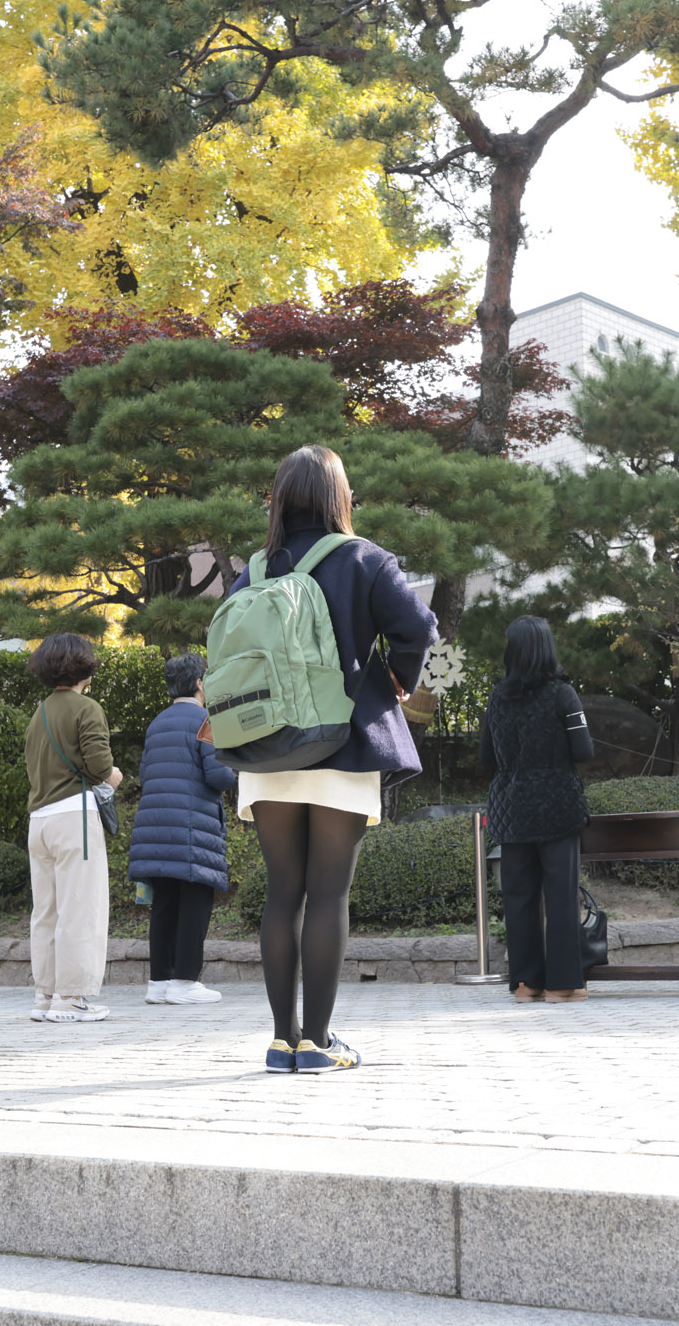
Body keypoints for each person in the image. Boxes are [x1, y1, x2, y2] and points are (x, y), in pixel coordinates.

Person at [233, 445, 437, 1075]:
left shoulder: (256, 569)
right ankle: (319, 1042)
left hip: (266, 747)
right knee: (328, 894)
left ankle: (280, 1039)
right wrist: (396, 680)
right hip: (341, 743)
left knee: (281, 894)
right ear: (338, 496)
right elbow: (418, 628)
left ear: (280, 497)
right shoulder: (363, 558)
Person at [479, 615, 594, 1005]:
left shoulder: (497, 697)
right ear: (547, 649)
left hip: (510, 806)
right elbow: (584, 751)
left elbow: (485, 756)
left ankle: (526, 984)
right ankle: (563, 984)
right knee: (559, 895)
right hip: (557, 802)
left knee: (519, 898)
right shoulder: (563, 695)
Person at [23, 633, 122, 1023]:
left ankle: (44, 995)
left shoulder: (39, 712)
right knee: (79, 908)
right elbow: (99, 766)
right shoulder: (86, 707)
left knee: (45, 911)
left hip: (40, 821)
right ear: (85, 667)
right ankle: (71, 997)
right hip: (73, 819)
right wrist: (112, 777)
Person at [130, 653, 235, 1006]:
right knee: (194, 902)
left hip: (156, 827)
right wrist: (236, 766)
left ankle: (159, 981)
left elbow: (147, 774)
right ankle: (186, 982)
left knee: (164, 906)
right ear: (200, 683)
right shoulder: (207, 721)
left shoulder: (157, 723)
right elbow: (218, 776)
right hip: (192, 829)